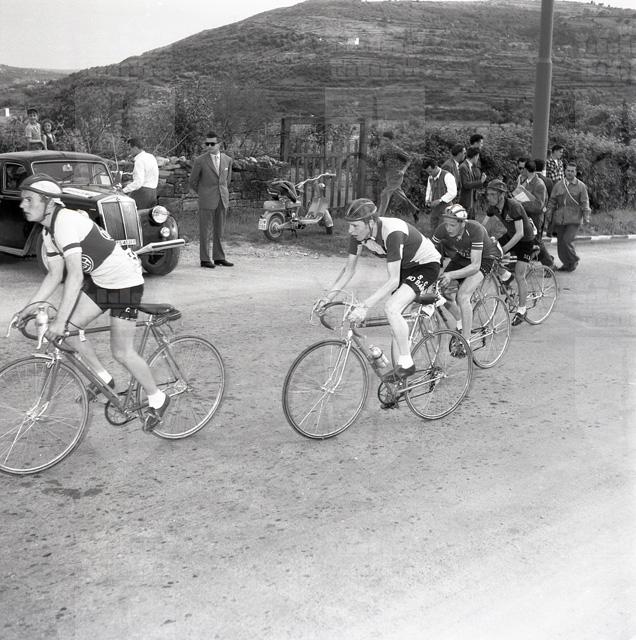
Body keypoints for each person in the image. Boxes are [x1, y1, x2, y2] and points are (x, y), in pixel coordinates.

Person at [17, 175, 169, 431]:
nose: (23, 205)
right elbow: (54, 275)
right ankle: (103, 378)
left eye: (29, 200)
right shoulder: (48, 231)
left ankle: (158, 398)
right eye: (23, 200)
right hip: (102, 282)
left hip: (125, 283)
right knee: (69, 333)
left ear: (49, 203)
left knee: (121, 352)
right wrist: (28, 309)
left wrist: (60, 320)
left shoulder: (65, 222)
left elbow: (75, 276)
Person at [317, 198, 441, 381]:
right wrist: (327, 298)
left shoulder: (392, 232)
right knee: (395, 323)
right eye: (350, 225)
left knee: (391, 308)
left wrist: (364, 306)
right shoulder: (359, 235)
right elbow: (349, 270)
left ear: (371, 222)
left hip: (426, 265)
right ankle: (400, 383)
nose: (350, 230)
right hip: (405, 267)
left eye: (355, 226)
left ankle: (407, 364)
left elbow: (393, 280)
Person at [432, 204, 499, 346]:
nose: (448, 228)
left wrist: (450, 275)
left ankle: (466, 342)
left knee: (462, 296)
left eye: (452, 225)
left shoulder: (475, 229)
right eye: (446, 224)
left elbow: (475, 266)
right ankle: (461, 322)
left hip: (483, 259)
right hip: (462, 256)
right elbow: (429, 252)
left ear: (462, 223)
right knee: (442, 291)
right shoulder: (442, 229)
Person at [483, 179, 537, 326]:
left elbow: (520, 233)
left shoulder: (514, 206)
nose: (489, 197)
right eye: (488, 194)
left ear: (501, 195)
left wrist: (505, 249)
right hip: (510, 235)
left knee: (519, 275)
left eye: (492, 194)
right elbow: (482, 226)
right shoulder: (493, 206)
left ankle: (522, 310)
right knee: (489, 252)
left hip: (525, 240)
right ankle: (506, 276)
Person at [188, 131, 234, 269]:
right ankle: (205, 259)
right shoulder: (200, 160)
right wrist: (203, 193)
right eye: (207, 144)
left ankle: (219, 257)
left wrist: (222, 192)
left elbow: (227, 180)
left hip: (222, 199)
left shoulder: (227, 160)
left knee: (219, 230)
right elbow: (193, 181)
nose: (209, 146)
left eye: (212, 144)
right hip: (207, 199)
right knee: (205, 230)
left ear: (219, 144)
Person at [546, 161, 591, 272]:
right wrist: (549, 213)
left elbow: (585, 202)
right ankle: (567, 264)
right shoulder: (558, 185)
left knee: (567, 241)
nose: (570, 173)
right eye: (568, 170)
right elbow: (552, 201)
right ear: (565, 171)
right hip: (560, 218)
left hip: (574, 218)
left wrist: (586, 216)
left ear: (575, 172)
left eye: (572, 171)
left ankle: (574, 260)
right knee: (560, 243)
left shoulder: (581, 186)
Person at [515, 159, 554, 268]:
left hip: (536, 218)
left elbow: (538, 206)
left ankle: (549, 264)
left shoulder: (539, 184)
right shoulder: (526, 181)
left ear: (527, 170)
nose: (520, 171)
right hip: (527, 216)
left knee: (536, 242)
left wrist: (521, 204)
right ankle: (517, 263)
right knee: (524, 240)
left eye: (522, 169)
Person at [376, 131, 419, 222]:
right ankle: (414, 210)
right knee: (401, 196)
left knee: (384, 194)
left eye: (386, 140)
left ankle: (379, 219)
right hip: (388, 176)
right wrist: (380, 163)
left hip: (397, 176)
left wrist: (403, 171)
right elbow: (381, 162)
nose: (384, 142)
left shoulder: (396, 150)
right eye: (383, 140)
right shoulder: (383, 150)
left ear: (391, 141)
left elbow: (409, 159)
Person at [423, 157, 457, 236]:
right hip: (435, 210)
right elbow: (429, 190)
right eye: (428, 172)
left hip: (446, 209)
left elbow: (453, 192)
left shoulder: (447, 176)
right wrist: (427, 200)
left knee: (445, 231)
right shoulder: (430, 177)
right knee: (434, 231)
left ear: (435, 167)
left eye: (430, 171)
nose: (429, 174)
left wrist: (440, 200)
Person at [122, 138, 159, 209]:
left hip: (142, 193)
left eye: (130, 149)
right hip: (153, 192)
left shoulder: (139, 160)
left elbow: (138, 182)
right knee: (148, 215)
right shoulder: (151, 157)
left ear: (135, 148)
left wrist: (123, 190)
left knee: (128, 211)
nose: (129, 151)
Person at [458, 148, 486, 220]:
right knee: (465, 222)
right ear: (475, 156)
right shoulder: (463, 167)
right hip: (465, 201)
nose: (477, 159)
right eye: (478, 157)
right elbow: (466, 184)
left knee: (470, 222)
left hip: (471, 201)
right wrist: (480, 182)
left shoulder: (469, 166)